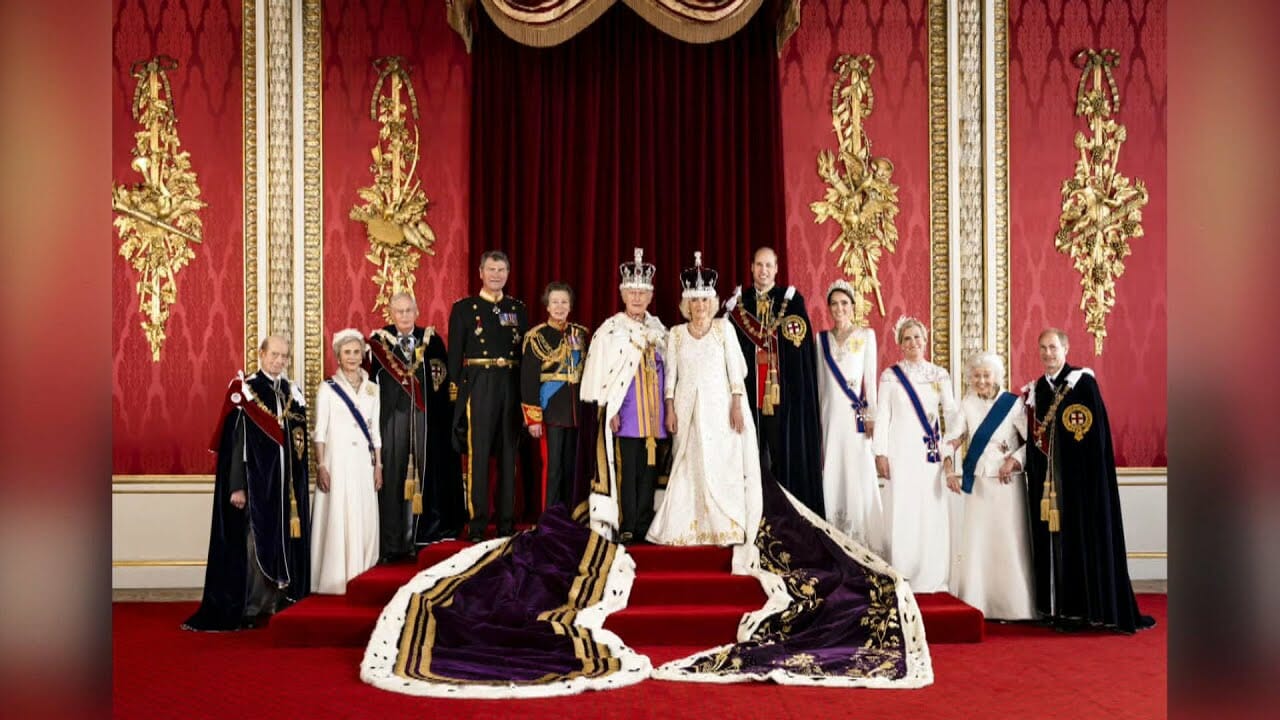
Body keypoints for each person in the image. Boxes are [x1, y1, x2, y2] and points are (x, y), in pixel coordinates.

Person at [1021, 328, 1154, 632]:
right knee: (1050, 543)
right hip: (1045, 485)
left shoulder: (1082, 384)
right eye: (1042, 348)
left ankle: (1084, 611)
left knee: (1079, 540)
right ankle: (1054, 609)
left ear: (1065, 349)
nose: (1047, 353)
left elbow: (1095, 439)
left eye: (1053, 347)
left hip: (1079, 485)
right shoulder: (1037, 390)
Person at [183, 335, 311, 630]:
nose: (279, 361)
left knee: (281, 542)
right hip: (256, 486)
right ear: (261, 354)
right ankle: (253, 606)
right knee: (256, 544)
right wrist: (237, 486)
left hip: (284, 489)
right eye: (274, 355)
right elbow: (236, 444)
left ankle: (277, 600)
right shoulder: (246, 390)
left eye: (284, 356)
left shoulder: (290, 391)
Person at [648, 252, 760, 546]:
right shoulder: (676, 334)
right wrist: (669, 409)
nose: (700, 306)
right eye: (694, 301)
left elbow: (737, 372)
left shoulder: (724, 329)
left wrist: (737, 404)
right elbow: (670, 377)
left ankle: (724, 525)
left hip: (720, 408)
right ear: (687, 304)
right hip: (686, 409)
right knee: (689, 464)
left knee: (720, 462)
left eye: (705, 300)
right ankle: (688, 527)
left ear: (713, 302)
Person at [725, 247, 824, 515]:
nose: (764, 270)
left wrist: (774, 352)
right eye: (759, 265)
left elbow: (800, 349)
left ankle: (786, 516)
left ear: (776, 269)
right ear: (751, 268)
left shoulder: (791, 301)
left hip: (783, 397)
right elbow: (728, 351)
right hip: (748, 395)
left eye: (769, 265)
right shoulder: (738, 305)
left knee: (783, 457)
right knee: (749, 458)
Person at [579, 248, 667, 544]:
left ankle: (645, 523)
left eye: (642, 293)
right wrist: (610, 409)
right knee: (627, 471)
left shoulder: (659, 330)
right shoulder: (611, 330)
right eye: (632, 292)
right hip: (627, 413)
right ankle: (627, 524)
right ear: (622, 294)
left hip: (656, 416)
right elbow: (601, 375)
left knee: (650, 472)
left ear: (650, 296)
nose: (637, 298)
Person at [941, 351, 1035, 620]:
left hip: (1008, 483)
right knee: (980, 543)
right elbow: (952, 438)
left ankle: (1016, 607)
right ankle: (981, 603)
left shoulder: (1014, 404)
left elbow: (1033, 442)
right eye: (976, 375)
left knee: (1009, 541)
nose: (981, 380)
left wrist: (1015, 461)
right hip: (980, 481)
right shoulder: (967, 404)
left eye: (986, 375)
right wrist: (949, 469)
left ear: (997, 376)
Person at [367, 292, 461, 560]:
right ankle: (394, 543)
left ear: (417, 311)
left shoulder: (431, 342)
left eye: (409, 310)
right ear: (391, 314)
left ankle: (424, 536)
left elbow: (442, 385)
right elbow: (370, 387)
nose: (405, 316)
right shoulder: (379, 342)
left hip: (425, 421)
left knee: (425, 475)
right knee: (395, 476)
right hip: (392, 420)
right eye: (399, 311)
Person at [871, 317, 957, 593]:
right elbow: (882, 415)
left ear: (926, 339)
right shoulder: (890, 375)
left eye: (918, 337)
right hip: (899, 451)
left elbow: (952, 414)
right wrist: (880, 452)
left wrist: (953, 445)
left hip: (929, 454)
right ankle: (903, 570)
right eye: (907, 338)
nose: (913, 343)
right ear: (900, 344)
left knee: (930, 509)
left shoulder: (939, 374)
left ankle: (932, 573)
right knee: (903, 509)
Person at [448, 251, 528, 542]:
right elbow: (455, 357)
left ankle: (506, 522)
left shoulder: (518, 309)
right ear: (480, 272)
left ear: (508, 273)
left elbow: (524, 355)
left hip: (510, 382)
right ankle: (478, 523)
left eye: (502, 270)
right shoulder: (464, 309)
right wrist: (460, 394)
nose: (496, 275)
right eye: (491, 269)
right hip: (479, 383)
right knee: (478, 454)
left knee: (509, 454)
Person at [311, 329, 383, 594]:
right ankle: (335, 579)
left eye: (356, 352)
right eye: (347, 353)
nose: (352, 357)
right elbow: (320, 431)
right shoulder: (327, 388)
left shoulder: (372, 389)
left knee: (363, 514)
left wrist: (378, 465)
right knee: (340, 514)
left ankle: (363, 575)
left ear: (363, 354)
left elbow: (375, 432)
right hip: (337, 461)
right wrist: (321, 465)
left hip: (363, 463)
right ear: (338, 357)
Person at [814, 279, 882, 550]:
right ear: (829, 308)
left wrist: (871, 415)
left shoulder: (866, 336)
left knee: (857, 470)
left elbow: (871, 381)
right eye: (834, 304)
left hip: (856, 417)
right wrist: (819, 420)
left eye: (844, 303)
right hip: (831, 417)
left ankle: (860, 538)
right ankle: (834, 533)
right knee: (832, 468)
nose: (839, 308)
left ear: (853, 307)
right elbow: (821, 384)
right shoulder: (821, 340)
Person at [521, 282, 589, 511]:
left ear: (570, 306)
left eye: (564, 302)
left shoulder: (580, 334)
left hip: (575, 412)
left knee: (572, 468)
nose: (559, 307)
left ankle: (570, 515)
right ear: (547, 306)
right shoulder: (536, 336)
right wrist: (533, 418)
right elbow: (529, 380)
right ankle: (549, 518)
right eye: (555, 302)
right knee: (553, 469)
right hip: (550, 411)